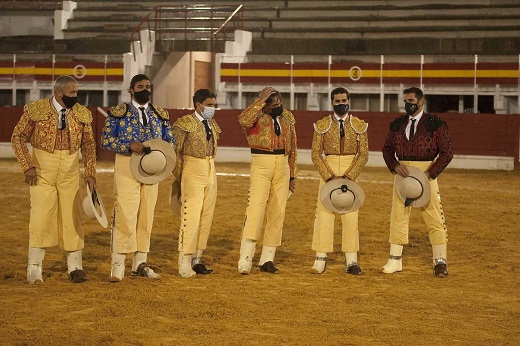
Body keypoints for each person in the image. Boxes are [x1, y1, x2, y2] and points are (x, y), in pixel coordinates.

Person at [11, 75, 96, 284]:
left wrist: (90, 172)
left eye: (76, 92)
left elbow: (89, 145)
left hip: (69, 169)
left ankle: (75, 266)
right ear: (59, 93)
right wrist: (27, 165)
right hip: (42, 170)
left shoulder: (82, 114)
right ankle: (35, 267)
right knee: (41, 216)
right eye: (72, 93)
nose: (76, 96)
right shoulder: (36, 110)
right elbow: (18, 137)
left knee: (73, 215)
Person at [100, 74, 175, 282]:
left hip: (154, 168)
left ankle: (140, 263)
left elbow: (171, 141)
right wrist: (127, 145)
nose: (145, 89)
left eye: (148, 86)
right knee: (125, 212)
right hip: (126, 163)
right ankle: (118, 264)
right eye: (140, 86)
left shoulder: (160, 114)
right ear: (131, 90)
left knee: (146, 214)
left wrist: (161, 157)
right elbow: (105, 139)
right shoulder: (118, 112)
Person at [381, 86, 453, 278]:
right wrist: (395, 166)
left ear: (421, 102)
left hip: (426, 174)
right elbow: (387, 149)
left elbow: (447, 152)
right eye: (406, 101)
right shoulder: (397, 124)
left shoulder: (435, 123)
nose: (408, 105)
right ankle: (395, 260)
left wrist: (430, 174)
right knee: (398, 216)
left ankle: (440, 262)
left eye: (411, 101)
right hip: (403, 175)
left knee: (434, 217)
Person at [237, 87, 297, 274]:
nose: (277, 105)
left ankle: (267, 259)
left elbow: (293, 146)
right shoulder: (256, 115)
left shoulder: (287, 117)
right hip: (261, 163)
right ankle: (245, 259)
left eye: (278, 101)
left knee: (277, 211)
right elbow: (243, 120)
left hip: (282, 165)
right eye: (272, 103)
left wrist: (293, 175)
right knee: (255, 209)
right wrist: (260, 101)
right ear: (265, 104)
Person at [310, 87, 369, 275]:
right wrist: (329, 176)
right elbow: (316, 154)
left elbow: (363, 154)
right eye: (338, 101)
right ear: (332, 103)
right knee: (325, 213)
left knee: (351, 215)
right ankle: (321, 257)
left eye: (344, 101)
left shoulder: (359, 125)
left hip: (350, 170)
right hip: (329, 169)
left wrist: (350, 176)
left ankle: (351, 260)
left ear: (349, 101)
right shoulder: (322, 124)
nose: (341, 104)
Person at [172, 89, 220, 278]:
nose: (212, 108)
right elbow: (174, 151)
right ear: (198, 105)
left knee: (207, 213)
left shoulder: (212, 123)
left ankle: (197, 259)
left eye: (213, 104)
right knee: (190, 215)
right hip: (192, 167)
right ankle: (184, 260)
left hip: (210, 167)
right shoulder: (184, 123)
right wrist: (180, 177)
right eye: (209, 104)